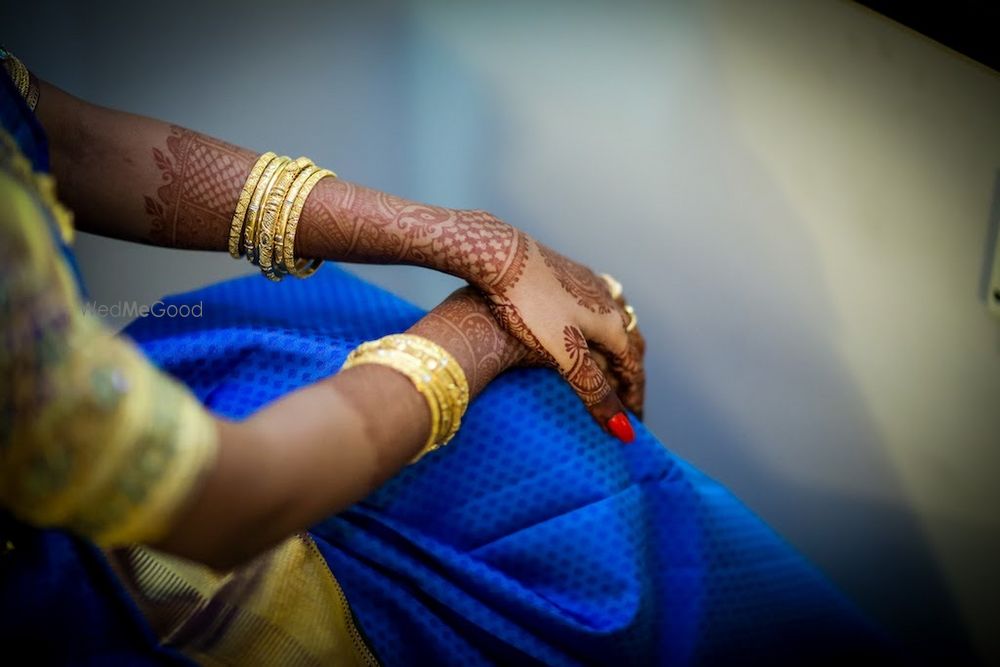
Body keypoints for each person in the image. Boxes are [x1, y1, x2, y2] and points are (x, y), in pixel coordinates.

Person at [0, 48, 900, 665]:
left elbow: (58, 136)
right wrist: (470, 337)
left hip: (166, 394)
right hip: (121, 568)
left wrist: (476, 244)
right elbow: (220, 506)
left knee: (564, 454)